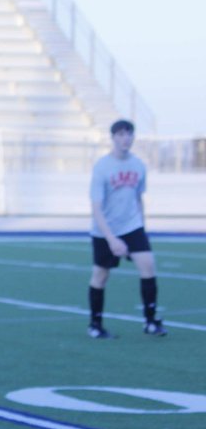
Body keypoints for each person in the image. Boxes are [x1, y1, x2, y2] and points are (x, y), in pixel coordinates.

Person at [87, 119, 167, 339]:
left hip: (132, 226)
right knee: (100, 276)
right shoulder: (102, 167)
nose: (125, 139)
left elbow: (138, 198)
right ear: (113, 138)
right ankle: (95, 324)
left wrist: (142, 227)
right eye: (120, 134)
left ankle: (150, 322)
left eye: (129, 134)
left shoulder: (139, 166)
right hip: (105, 229)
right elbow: (96, 207)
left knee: (148, 265)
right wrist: (112, 239)